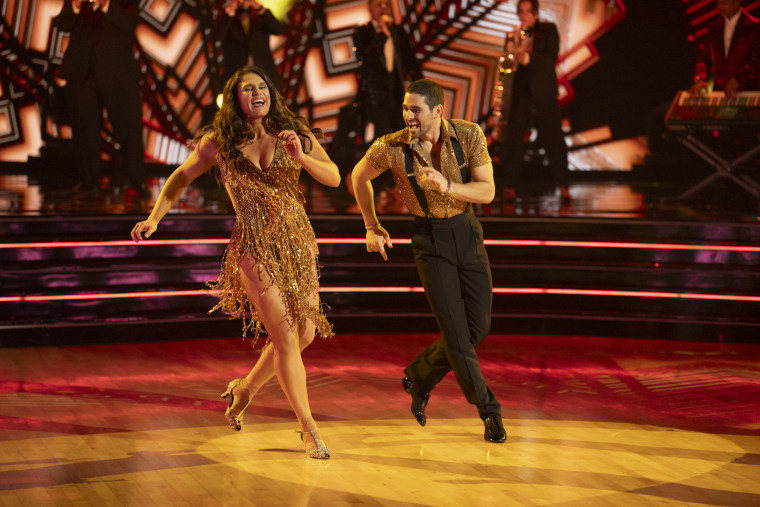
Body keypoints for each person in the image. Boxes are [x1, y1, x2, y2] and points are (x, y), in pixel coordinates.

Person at [131, 66, 340, 459]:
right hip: (253, 247)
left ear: (271, 95)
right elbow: (179, 177)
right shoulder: (220, 144)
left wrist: (301, 157)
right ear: (235, 99)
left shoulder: (293, 133)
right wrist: (154, 217)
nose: (257, 93)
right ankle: (309, 430)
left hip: (297, 242)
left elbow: (333, 177)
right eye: (248, 89)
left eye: (262, 87)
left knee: (304, 335)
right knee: (283, 339)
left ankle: (244, 388)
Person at [350, 79, 507, 443]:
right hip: (429, 240)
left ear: (438, 111)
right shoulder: (390, 147)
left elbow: (488, 190)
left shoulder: (469, 135)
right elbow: (358, 177)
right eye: (405, 108)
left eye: (415, 109)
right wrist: (372, 225)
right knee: (455, 334)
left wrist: (447, 187)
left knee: (476, 329)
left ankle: (419, 378)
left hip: (467, 234)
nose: (408, 116)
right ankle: (489, 411)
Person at [53, 0, 145, 199]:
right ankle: (88, 181)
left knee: (128, 128)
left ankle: (136, 180)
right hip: (81, 73)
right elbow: (62, 24)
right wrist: (76, 7)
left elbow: (130, 23)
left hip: (118, 74)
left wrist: (106, 5)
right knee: (84, 130)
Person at [499, 0, 569, 203]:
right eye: (520, 12)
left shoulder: (548, 29)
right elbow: (509, 65)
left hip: (544, 92)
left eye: (527, 12)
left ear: (536, 13)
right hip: (521, 93)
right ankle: (510, 185)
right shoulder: (513, 34)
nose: (523, 16)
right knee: (513, 139)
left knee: (553, 138)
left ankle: (564, 184)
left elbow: (551, 57)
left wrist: (528, 58)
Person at [352, 0, 423, 140]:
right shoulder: (362, 32)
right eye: (379, 5)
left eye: (386, 5)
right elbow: (367, 59)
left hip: (397, 93)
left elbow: (410, 60)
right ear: (370, 8)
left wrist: (421, 86)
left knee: (403, 134)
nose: (383, 9)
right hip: (375, 95)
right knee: (383, 136)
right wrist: (382, 35)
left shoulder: (397, 31)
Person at [690, 0, 760, 98]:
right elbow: (705, 59)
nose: (719, 7)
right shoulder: (714, 28)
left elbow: (755, 61)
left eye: (724, 3)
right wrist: (699, 79)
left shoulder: (754, 27)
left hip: (749, 92)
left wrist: (737, 79)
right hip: (721, 93)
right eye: (718, 3)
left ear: (737, 3)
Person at [216, 0, 286, 91]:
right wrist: (231, 10)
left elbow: (278, 30)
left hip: (263, 74)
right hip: (237, 77)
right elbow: (217, 36)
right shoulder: (228, 17)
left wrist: (260, 8)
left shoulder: (261, 16)